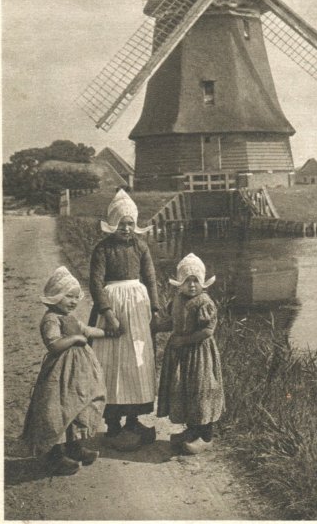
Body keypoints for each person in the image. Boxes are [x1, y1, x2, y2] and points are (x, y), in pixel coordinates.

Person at [89, 189, 161, 451]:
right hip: (113, 307)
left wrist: (155, 308)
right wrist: (107, 313)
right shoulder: (103, 249)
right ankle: (113, 425)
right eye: (122, 224)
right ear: (112, 224)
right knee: (111, 361)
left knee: (136, 360)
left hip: (137, 309)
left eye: (130, 223)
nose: (127, 229)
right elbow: (96, 283)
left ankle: (133, 420)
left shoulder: (141, 247)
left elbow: (150, 278)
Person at [20, 266, 107, 476]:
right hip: (60, 373)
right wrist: (75, 338)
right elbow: (53, 344)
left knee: (78, 406)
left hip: (79, 374)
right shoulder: (51, 318)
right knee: (58, 409)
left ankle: (75, 446)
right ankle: (55, 455)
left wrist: (108, 332)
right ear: (56, 296)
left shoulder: (71, 318)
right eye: (69, 296)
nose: (74, 301)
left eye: (76, 297)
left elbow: (87, 330)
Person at [155, 253, 225, 455]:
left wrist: (185, 340)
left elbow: (208, 331)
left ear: (203, 283)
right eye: (187, 281)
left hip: (199, 353)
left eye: (196, 281)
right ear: (180, 284)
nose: (192, 285)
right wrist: (156, 327)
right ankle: (192, 430)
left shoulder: (204, 302)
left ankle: (205, 435)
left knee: (201, 388)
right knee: (185, 390)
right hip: (181, 355)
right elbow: (173, 322)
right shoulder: (178, 300)